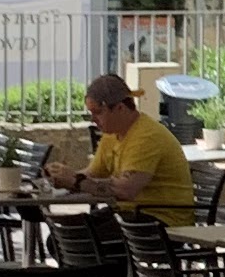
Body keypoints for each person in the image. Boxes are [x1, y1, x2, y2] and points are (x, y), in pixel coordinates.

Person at [48, 72, 195, 226]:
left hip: (161, 219)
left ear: (120, 108)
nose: (93, 119)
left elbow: (126, 190)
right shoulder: (112, 135)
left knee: (77, 236)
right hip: (130, 214)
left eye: (98, 112)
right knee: (65, 233)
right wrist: (60, 178)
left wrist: (76, 181)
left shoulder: (146, 136)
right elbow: (93, 174)